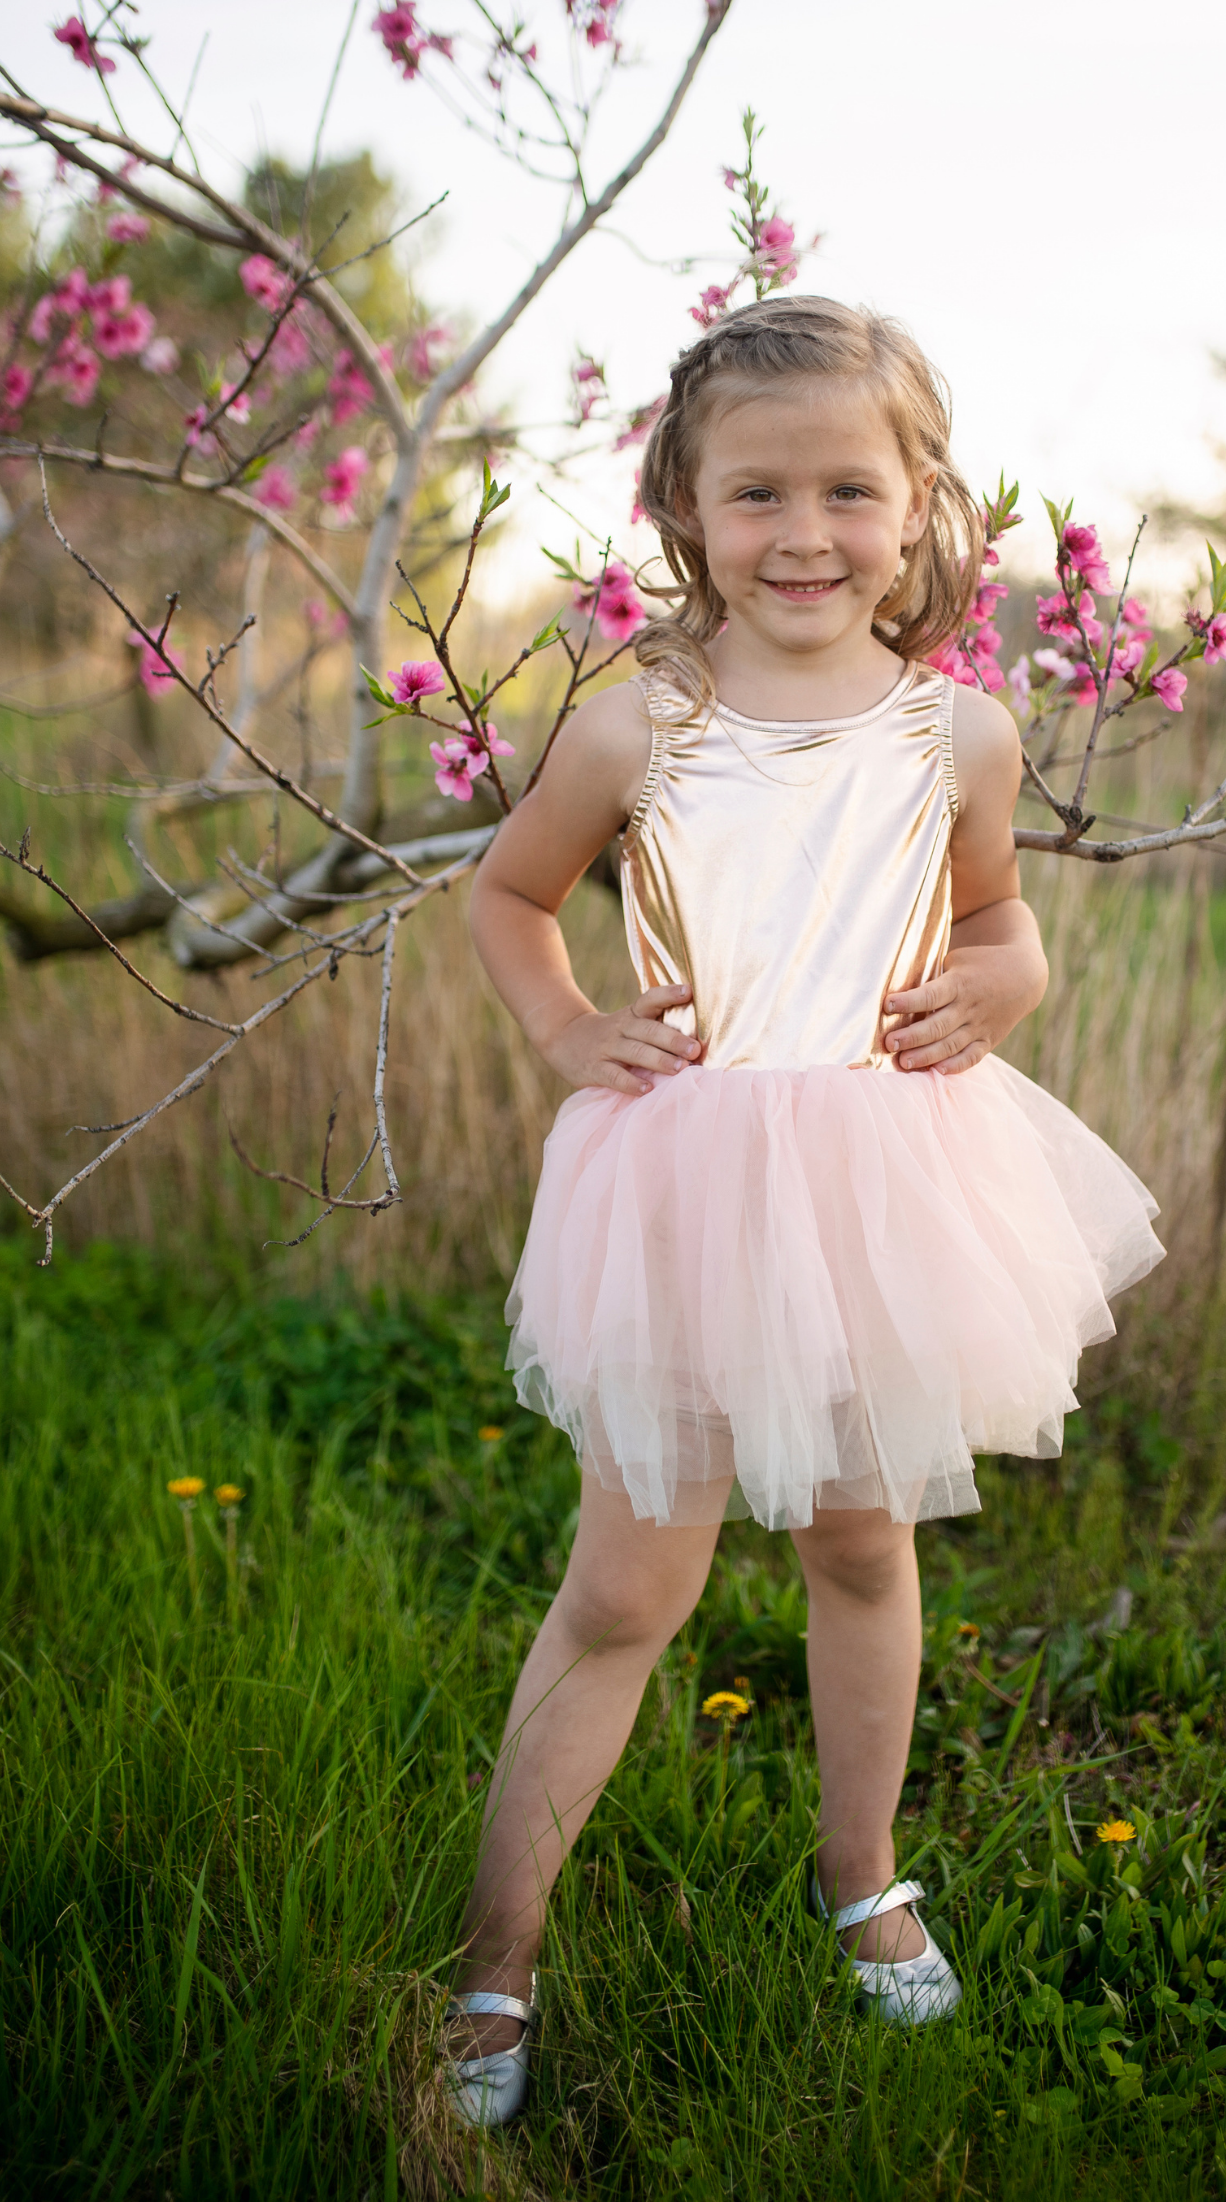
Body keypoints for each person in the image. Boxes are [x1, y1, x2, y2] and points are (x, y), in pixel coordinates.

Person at [445, 295, 1163, 2128]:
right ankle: (495, 1962)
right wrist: (561, 1030)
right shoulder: (636, 732)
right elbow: (506, 900)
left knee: (863, 1541)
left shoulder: (961, 737)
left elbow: (995, 921)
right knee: (628, 1585)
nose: (805, 533)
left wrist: (1018, 977)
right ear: (687, 506)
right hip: (687, 1184)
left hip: (887, 1186)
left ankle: (864, 1876)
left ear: (919, 507)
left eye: (851, 489)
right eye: (756, 492)